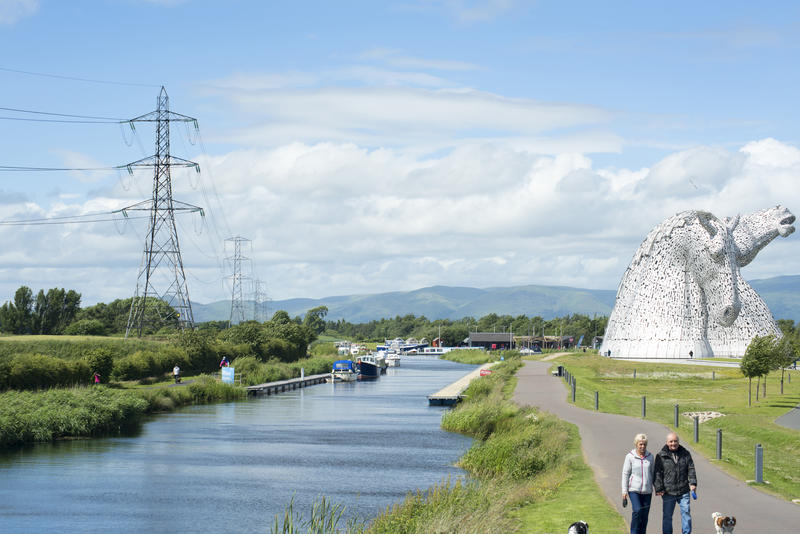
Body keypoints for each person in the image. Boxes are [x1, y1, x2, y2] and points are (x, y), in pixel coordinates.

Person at [654, 432, 697, 534]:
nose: (673, 443)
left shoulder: (686, 453)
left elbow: (691, 468)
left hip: (684, 490)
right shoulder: (661, 455)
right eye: (671, 441)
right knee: (667, 516)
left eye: (675, 441)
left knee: (686, 513)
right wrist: (659, 488)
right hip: (668, 492)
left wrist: (693, 483)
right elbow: (657, 473)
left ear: (678, 442)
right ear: (667, 442)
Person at [622, 433, 654, 534]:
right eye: (640, 444)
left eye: (644, 444)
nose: (642, 446)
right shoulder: (630, 457)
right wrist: (624, 491)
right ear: (636, 444)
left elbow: (653, 474)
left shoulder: (650, 457)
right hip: (634, 490)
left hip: (647, 491)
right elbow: (625, 474)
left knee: (644, 516)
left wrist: (658, 489)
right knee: (637, 510)